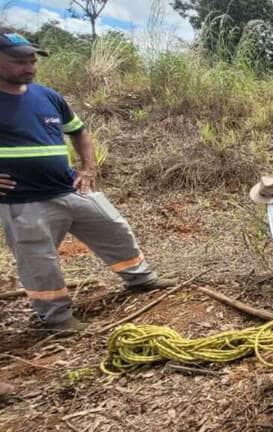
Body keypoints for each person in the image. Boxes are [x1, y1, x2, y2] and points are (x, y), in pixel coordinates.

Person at [0, 28, 174, 333]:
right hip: (24, 200)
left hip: (69, 187)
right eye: (19, 61)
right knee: (37, 259)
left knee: (114, 227)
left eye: (32, 59)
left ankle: (141, 279)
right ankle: (56, 318)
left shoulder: (48, 96)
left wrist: (88, 168)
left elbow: (79, 132)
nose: (29, 66)